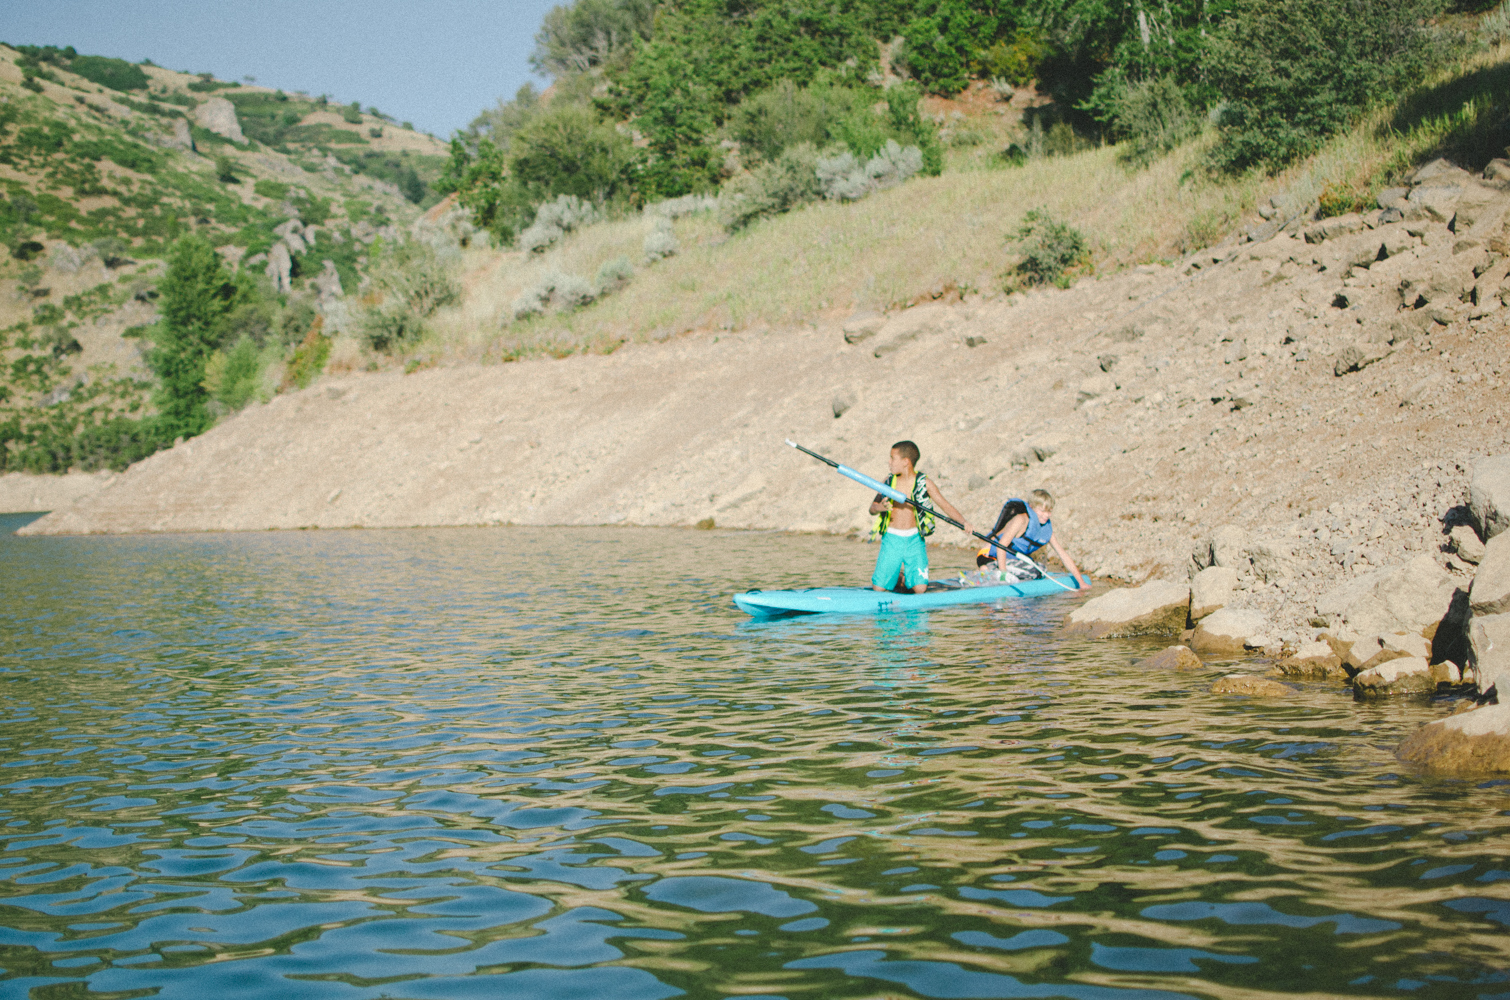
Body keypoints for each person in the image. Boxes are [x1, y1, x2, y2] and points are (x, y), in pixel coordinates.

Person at [868, 440, 974, 593]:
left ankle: (903, 578)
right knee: (878, 589)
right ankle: (897, 576)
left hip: (914, 540)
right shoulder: (888, 481)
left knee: (920, 589)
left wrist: (964, 522)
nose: (889, 462)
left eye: (892, 458)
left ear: (906, 462)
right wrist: (880, 507)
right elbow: (872, 509)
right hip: (892, 539)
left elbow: (945, 506)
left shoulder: (924, 483)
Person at [977, 488, 1087, 589]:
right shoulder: (1021, 520)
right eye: (1042, 511)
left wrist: (1081, 583)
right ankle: (988, 570)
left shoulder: (1045, 528)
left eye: (1049, 511)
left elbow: (1063, 555)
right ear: (1031, 507)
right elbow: (1001, 547)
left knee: (1041, 570)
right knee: (1034, 571)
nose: (1046, 515)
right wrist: (1003, 575)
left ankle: (998, 572)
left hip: (1009, 560)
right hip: (989, 556)